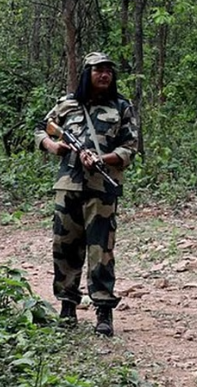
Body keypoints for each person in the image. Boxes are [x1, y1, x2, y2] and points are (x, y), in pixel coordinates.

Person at [34, 52, 138, 336]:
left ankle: (103, 311)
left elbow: (130, 148)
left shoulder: (121, 106)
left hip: (102, 189)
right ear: (87, 74)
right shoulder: (66, 104)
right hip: (67, 185)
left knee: (101, 249)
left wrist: (103, 159)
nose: (104, 75)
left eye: (108, 71)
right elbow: (40, 129)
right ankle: (67, 307)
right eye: (98, 71)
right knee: (65, 247)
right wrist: (52, 146)